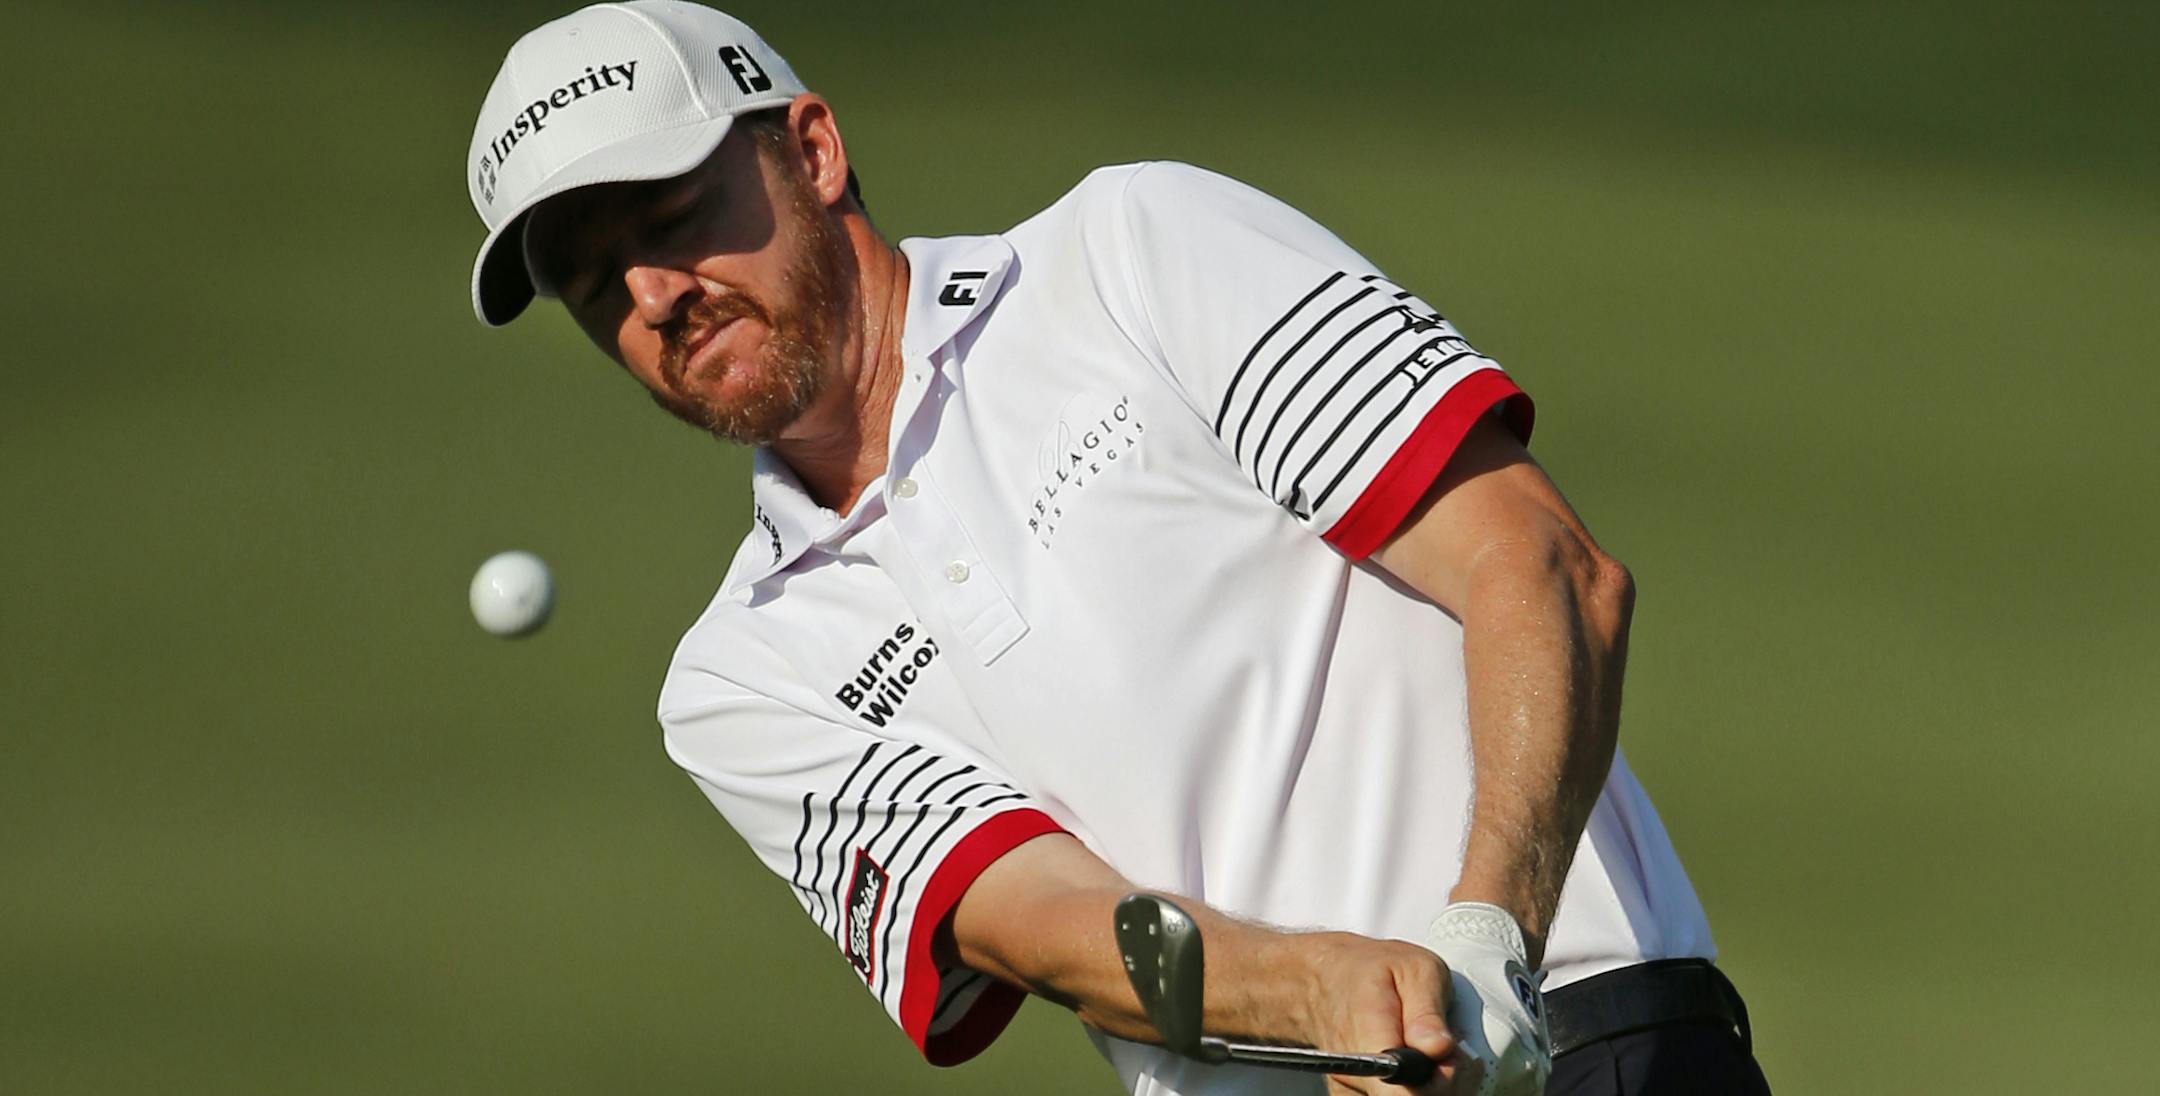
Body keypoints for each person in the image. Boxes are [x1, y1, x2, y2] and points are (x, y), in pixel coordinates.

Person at [464, 4, 1772, 1093]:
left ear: (811, 149)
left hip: (1598, 1033)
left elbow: (1543, 571)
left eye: (674, 213)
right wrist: (1330, 995)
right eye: (596, 285)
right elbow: (1046, 925)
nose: (652, 295)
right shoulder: (740, 680)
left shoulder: (1131, 256)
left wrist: (1487, 945)